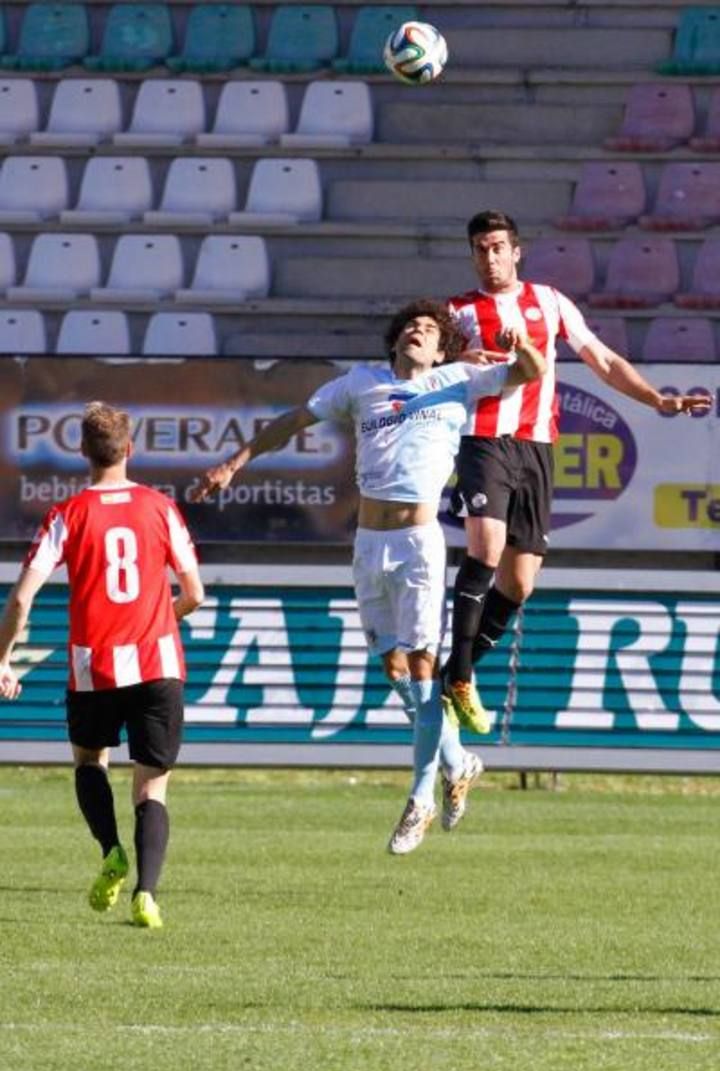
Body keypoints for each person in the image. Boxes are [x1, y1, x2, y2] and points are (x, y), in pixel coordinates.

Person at [191, 298, 547, 854]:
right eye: (410, 325)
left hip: (418, 543)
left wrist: (521, 341)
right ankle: (460, 761)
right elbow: (293, 421)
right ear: (395, 339)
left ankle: (421, 798)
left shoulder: (459, 380)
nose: (416, 331)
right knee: (396, 668)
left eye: (429, 329)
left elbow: (528, 372)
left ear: (441, 348)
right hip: (368, 542)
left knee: (425, 668)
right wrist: (233, 463)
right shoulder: (361, 384)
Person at [443, 209, 714, 732]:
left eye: (498, 246)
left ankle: (456, 674)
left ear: (516, 251)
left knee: (519, 583)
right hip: (484, 439)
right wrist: (456, 360)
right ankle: (458, 675)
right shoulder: (458, 313)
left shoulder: (549, 302)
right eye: (480, 248)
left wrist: (656, 399)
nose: (490, 256)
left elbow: (603, 359)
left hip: (537, 448)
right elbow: (422, 366)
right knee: (486, 549)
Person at [0, 402, 204, 928]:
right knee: (151, 786)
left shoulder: (66, 515)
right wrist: (160, 619)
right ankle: (147, 893)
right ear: (130, 449)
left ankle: (110, 850)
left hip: (95, 668)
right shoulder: (161, 508)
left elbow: (21, 600)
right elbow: (195, 594)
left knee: (90, 763)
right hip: (158, 663)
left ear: (82, 452)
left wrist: (2, 660)